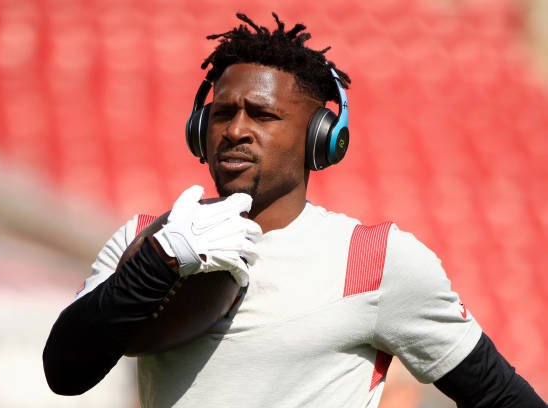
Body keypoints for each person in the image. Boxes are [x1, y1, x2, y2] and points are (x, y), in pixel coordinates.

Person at [43, 13, 546, 407]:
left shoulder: (375, 260)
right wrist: (161, 261)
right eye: (222, 113)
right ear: (200, 129)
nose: (235, 130)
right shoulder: (146, 235)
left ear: (319, 140)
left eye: (263, 115)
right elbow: (65, 372)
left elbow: (497, 395)